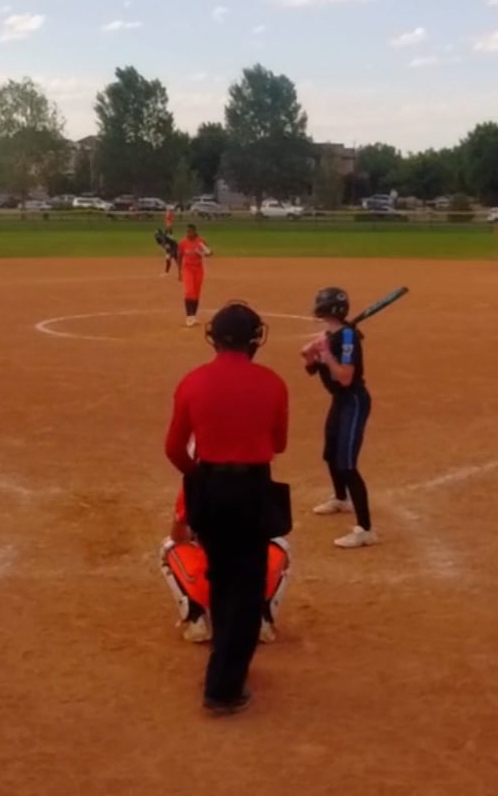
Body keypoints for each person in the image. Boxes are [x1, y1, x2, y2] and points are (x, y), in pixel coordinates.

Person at [163, 302, 289, 716]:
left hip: (210, 487)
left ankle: (223, 665)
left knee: (220, 575)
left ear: (214, 338)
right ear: (254, 340)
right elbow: (279, 443)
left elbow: (174, 448)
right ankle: (223, 688)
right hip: (253, 487)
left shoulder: (193, 381)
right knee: (248, 585)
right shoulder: (272, 383)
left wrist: (200, 477)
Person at [160, 483, 290, 644]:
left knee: (168, 547)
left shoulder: (194, 484)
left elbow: (178, 536)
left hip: (210, 585)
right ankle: (262, 618)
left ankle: (197, 618)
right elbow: (272, 530)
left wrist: (198, 535)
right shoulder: (258, 480)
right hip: (255, 583)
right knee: (281, 546)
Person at [304, 287, 377, 548]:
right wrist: (310, 355)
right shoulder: (331, 334)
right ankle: (340, 498)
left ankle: (365, 529)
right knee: (330, 454)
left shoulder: (347, 336)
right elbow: (311, 370)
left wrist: (326, 354)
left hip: (353, 401)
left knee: (346, 463)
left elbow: (345, 377)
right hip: (340, 401)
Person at [177, 224, 212, 327]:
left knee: (196, 293)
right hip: (188, 270)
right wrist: (179, 271)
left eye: (190, 232)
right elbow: (179, 256)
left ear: (194, 232)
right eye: (187, 232)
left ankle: (193, 316)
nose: (188, 234)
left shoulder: (200, 242)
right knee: (189, 292)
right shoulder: (183, 243)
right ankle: (189, 317)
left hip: (198, 270)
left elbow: (208, 253)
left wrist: (207, 253)